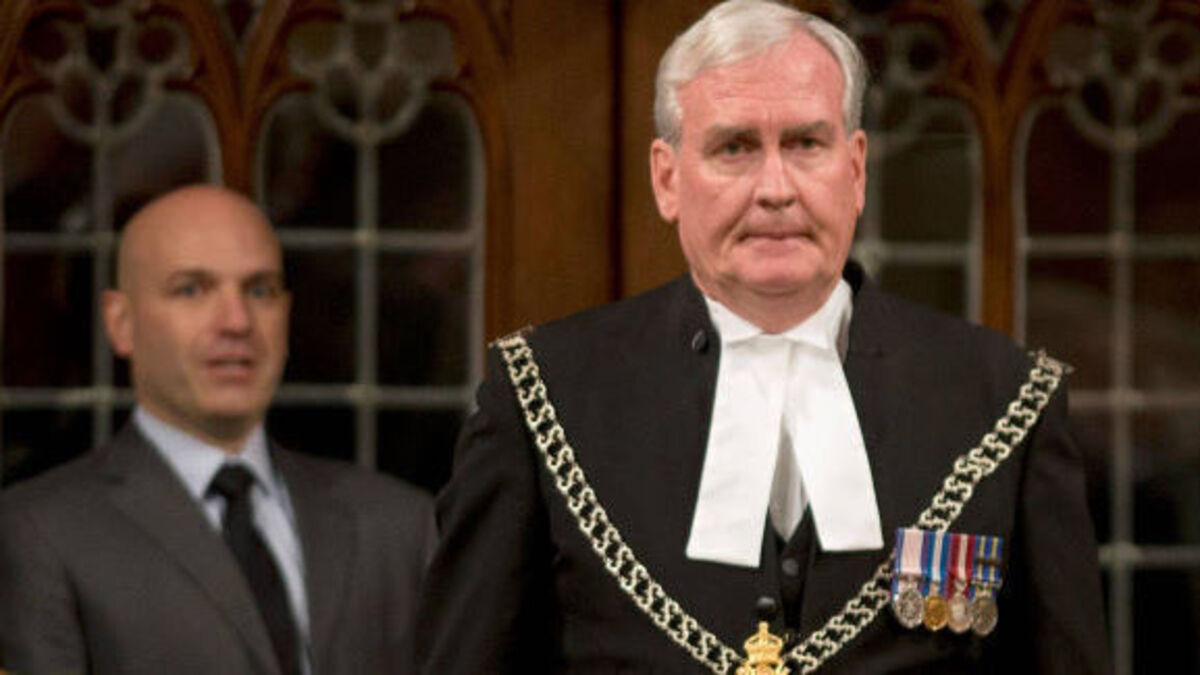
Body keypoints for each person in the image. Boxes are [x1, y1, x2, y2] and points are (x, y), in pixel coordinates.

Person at [416, 0, 1110, 672]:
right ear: (667, 179)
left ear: (856, 169)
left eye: (806, 143)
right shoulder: (542, 394)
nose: (775, 188)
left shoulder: (1003, 398)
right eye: (735, 147)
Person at [0, 185, 436, 675]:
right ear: (121, 322)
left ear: (286, 314)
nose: (237, 321)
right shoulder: (41, 532)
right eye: (192, 289)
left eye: (259, 290)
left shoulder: (398, 526)